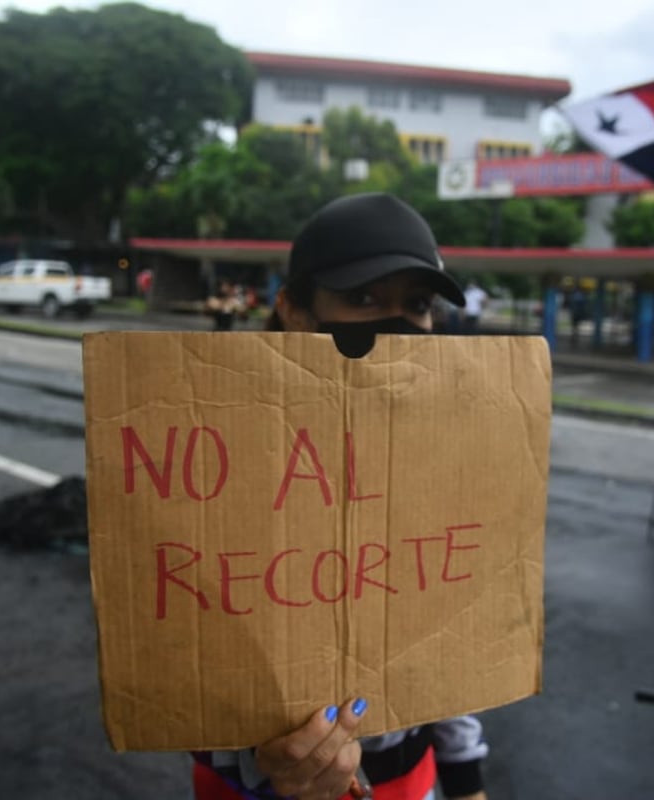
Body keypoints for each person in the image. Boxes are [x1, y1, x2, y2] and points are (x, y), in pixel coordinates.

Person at [197, 192, 486, 800]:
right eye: (362, 298)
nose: (398, 322)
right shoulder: (217, 460)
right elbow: (187, 657)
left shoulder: (439, 450)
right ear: (294, 311)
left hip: (412, 784)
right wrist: (266, 760)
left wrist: (466, 777)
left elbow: (454, 634)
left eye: (417, 304)